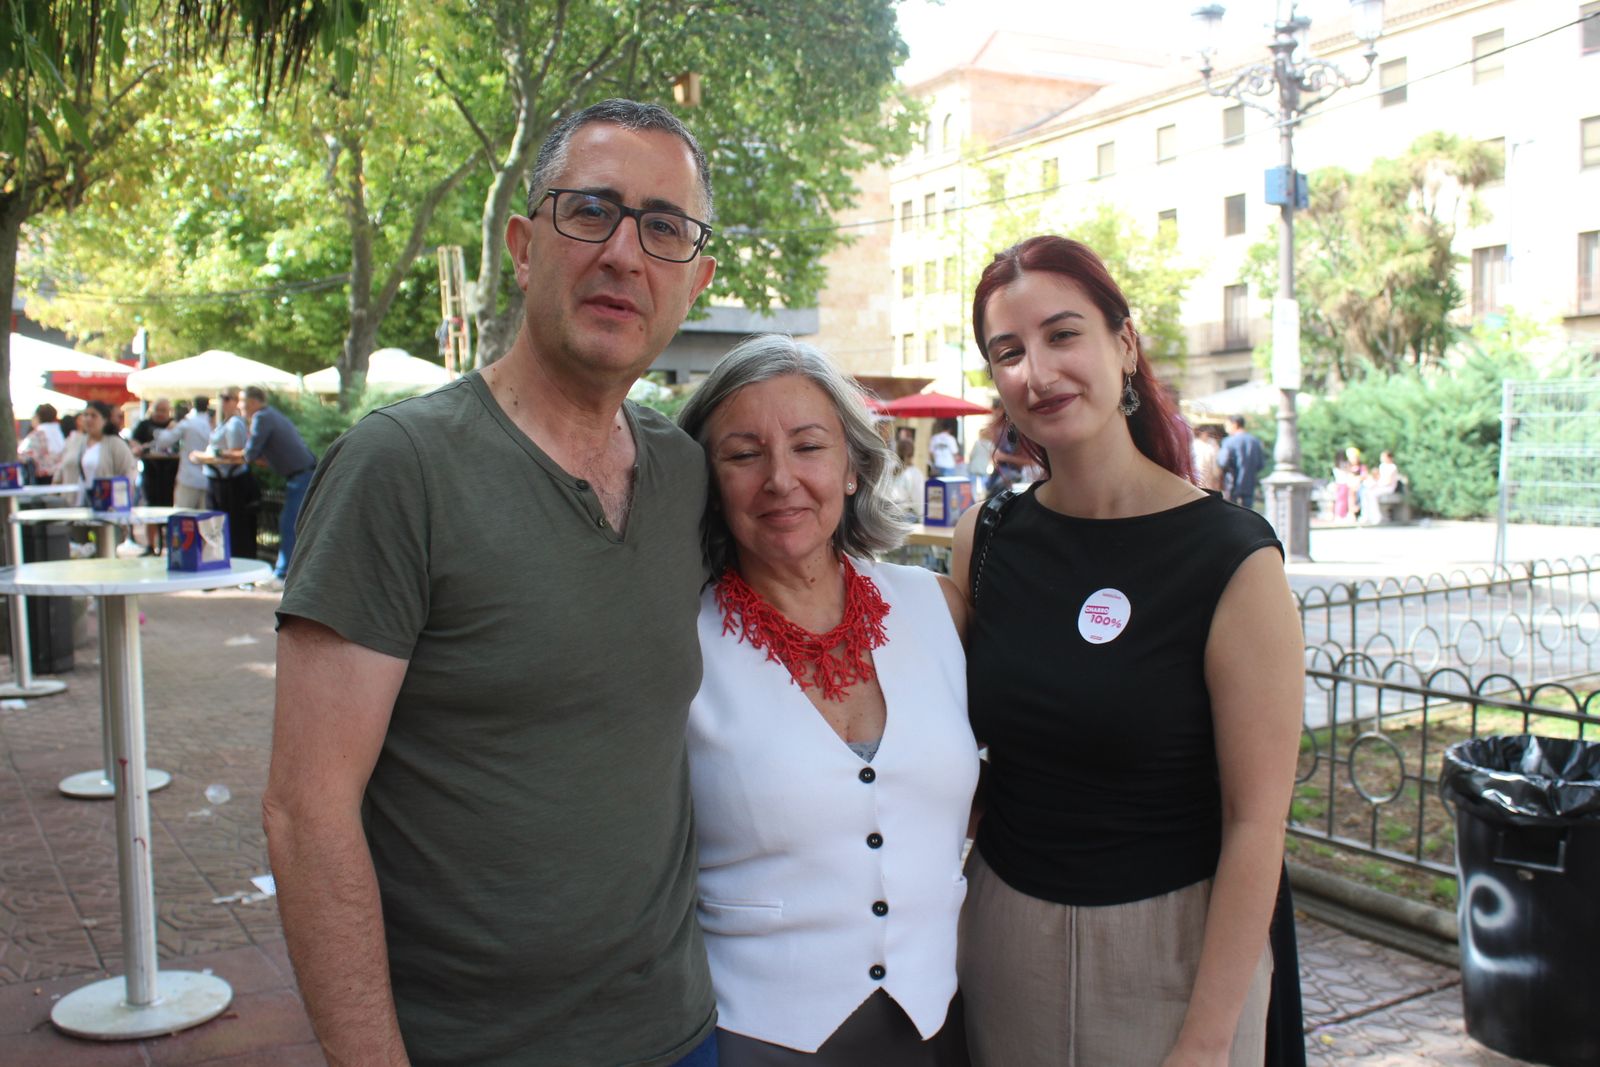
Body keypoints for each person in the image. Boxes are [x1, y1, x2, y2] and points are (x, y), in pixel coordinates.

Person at [263, 99, 720, 1067]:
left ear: (696, 280)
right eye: (590, 210)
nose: (623, 254)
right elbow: (307, 812)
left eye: (663, 228)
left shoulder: (687, 478)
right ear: (522, 245)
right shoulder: (400, 469)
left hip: (680, 1032)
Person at [952, 236, 1304, 1065]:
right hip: (1005, 933)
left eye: (1062, 334)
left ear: (1124, 342)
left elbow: (1257, 821)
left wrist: (1208, 1038)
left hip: (1176, 948)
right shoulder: (990, 537)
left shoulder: (1232, 557)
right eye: (1009, 351)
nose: (1036, 371)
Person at [676, 335, 977, 1065]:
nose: (781, 479)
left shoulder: (938, 608)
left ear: (851, 467)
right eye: (744, 454)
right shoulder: (678, 641)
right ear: (710, 482)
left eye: (808, 446)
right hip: (753, 1032)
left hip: (936, 1025)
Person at [205, 386, 316, 588]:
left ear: (254, 402)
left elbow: (249, 454)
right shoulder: (270, 415)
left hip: (301, 477)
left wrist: (220, 455)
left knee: (289, 524)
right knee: (290, 523)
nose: (240, 406)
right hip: (302, 475)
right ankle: (285, 573)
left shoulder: (262, 418)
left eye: (242, 401)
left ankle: (283, 575)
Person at [202, 389, 260, 560]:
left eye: (227, 398)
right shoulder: (224, 422)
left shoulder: (235, 423)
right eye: (221, 398)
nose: (223, 402)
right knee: (218, 526)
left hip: (232, 483)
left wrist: (212, 456)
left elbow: (237, 453)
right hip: (219, 481)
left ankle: (237, 562)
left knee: (235, 527)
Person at [54, 399, 138, 505]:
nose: (88, 419)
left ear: (105, 420)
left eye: (94, 416)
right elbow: (60, 472)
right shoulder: (74, 442)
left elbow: (128, 474)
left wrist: (121, 503)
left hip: (104, 507)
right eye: (85, 415)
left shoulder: (116, 444)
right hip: (71, 506)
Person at [171, 397, 215, 511]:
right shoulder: (212, 423)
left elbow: (166, 440)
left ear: (192, 406)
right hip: (208, 477)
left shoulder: (187, 423)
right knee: (205, 519)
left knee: (183, 516)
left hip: (188, 477)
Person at [1217, 413, 1266, 508]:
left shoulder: (1229, 441)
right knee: (1248, 513)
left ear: (1235, 424)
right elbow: (1261, 464)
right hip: (1249, 485)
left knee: (1232, 515)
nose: (1226, 429)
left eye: (1227, 425)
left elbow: (1223, 462)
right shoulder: (1255, 441)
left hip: (1232, 485)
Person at [19, 403, 66, 484]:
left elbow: (23, 454)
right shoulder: (59, 432)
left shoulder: (37, 434)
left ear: (38, 417)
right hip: (61, 474)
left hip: (42, 477)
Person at [1358, 450, 1404, 526]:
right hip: (1380, 486)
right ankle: (1366, 516)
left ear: (1389, 458)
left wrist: (1378, 485)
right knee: (1365, 492)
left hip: (1388, 488)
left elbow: (1388, 481)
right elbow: (1378, 478)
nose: (1382, 458)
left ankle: (1376, 517)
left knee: (1372, 494)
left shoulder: (1392, 467)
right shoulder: (1382, 466)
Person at [887, 436, 927, 520]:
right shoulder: (915, 473)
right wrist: (922, 519)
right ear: (913, 453)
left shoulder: (888, 468)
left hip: (887, 515)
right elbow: (919, 502)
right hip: (904, 516)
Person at [1192, 424, 1224, 492]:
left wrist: (1216, 474)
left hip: (1210, 472)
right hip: (1198, 472)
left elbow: (1216, 458)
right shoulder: (1194, 443)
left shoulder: (1212, 442)